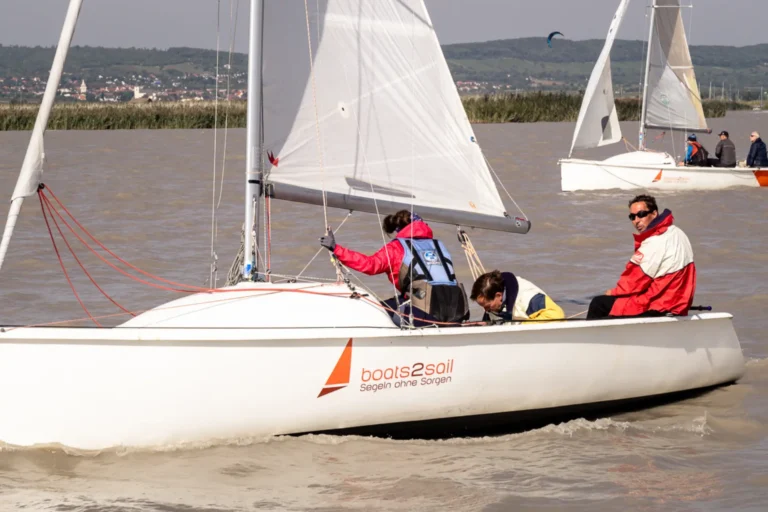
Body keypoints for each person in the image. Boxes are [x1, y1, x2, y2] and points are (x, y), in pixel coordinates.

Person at [319, 210, 468, 326]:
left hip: (424, 314)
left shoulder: (396, 247)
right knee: (399, 301)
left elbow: (369, 265)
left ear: (398, 229)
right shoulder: (440, 246)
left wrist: (336, 248)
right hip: (457, 312)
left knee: (373, 311)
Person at [587, 194, 696, 320]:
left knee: (599, 303)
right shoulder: (677, 232)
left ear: (654, 213)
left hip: (658, 306)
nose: (636, 220)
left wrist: (612, 292)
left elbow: (634, 281)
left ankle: (589, 338)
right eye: (632, 217)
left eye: (641, 214)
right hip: (678, 304)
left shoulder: (655, 241)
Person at [470, 270, 564, 322]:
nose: (486, 310)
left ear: (498, 295)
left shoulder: (527, 296)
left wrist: (521, 327)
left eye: (487, 307)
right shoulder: (494, 306)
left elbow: (557, 314)